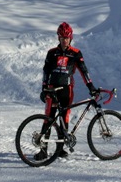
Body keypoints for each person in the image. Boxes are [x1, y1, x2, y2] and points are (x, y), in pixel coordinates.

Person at [35, 21, 98, 160]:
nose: (64, 41)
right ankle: (43, 150)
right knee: (48, 118)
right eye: (62, 38)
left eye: (67, 38)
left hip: (67, 90)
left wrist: (91, 87)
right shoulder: (51, 53)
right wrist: (44, 88)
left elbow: (84, 71)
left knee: (64, 118)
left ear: (71, 38)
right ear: (59, 38)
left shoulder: (76, 53)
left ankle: (60, 148)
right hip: (52, 90)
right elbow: (46, 72)